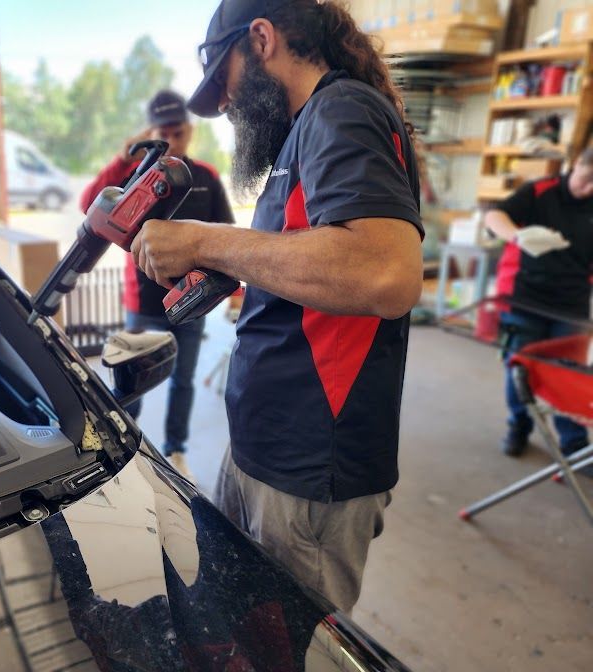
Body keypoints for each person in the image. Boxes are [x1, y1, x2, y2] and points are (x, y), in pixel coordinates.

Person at [129, 0, 423, 612]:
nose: (229, 106)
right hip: (261, 446)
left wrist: (205, 240)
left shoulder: (342, 112)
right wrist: (227, 264)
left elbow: (386, 271)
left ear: (261, 40)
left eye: (225, 83)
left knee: (288, 647)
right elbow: (306, 263)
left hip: (308, 466)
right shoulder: (306, 130)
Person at [79, 89, 234, 481]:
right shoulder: (137, 176)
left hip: (192, 299)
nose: (174, 140)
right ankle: (120, 454)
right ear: (153, 131)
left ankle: (176, 450)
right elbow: (89, 206)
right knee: (132, 382)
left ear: (190, 131)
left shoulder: (207, 178)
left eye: (179, 131)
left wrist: (236, 294)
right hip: (143, 302)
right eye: (165, 132)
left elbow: (228, 234)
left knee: (183, 380)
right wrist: (123, 159)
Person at [485, 149, 593, 460]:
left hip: (571, 304)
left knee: (569, 373)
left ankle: (574, 444)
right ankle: (518, 427)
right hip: (525, 298)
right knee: (520, 370)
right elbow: (495, 216)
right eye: (586, 180)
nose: (589, 190)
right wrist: (517, 236)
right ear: (576, 165)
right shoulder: (539, 191)